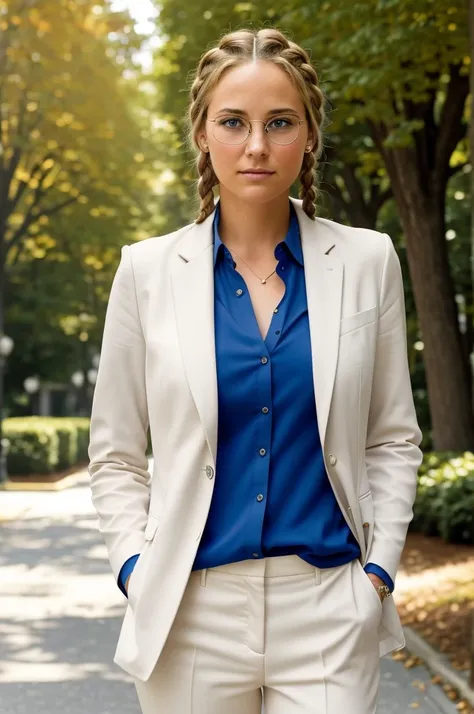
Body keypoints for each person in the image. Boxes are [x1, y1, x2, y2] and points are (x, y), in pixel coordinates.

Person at [88, 26, 423, 714]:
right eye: (233, 122)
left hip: (329, 602)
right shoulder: (146, 272)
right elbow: (116, 453)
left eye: (280, 122)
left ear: (310, 135)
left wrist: (378, 574)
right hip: (188, 608)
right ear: (203, 134)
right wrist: (135, 567)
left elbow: (392, 437)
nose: (258, 146)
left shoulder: (368, 261)